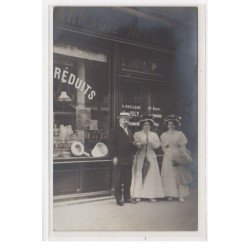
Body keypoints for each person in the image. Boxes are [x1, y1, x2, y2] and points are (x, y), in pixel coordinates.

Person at [130, 114, 164, 202]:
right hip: (140, 156)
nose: (147, 126)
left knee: (151, 174)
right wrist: (140, 144)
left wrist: (151, 144)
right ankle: (138, 195)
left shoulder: (154, 134)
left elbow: (157, 145)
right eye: (145, 124)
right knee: (139, 174)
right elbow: (135, 144)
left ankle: (151, 195)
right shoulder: (137, 134)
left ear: (151, 126)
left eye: (148, 125)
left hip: (151, 156)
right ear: (142, 125)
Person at [160, 115, 193, 202]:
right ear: (167, 125)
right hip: (168, 156)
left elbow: (183, 146)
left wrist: (181, 157)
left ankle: (180, 195)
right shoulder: (164, 135)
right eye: (169, 124)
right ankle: (170, 194)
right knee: (169, 173)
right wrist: (170, 156)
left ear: (175, 125)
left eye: (173, 124)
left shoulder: (180, 134)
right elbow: (164, 148)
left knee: (178, 174)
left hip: (178, 153)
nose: (171, 126)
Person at [109, 112, 137, 206]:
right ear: (119, 120)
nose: (126, 121)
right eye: (124, 119)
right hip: (119, 158)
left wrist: (135, 145)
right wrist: (114, 157)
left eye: (127, 119)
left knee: (128, 179)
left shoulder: (129, 131)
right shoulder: (114, 130)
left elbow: (131, 144)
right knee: (118, 179)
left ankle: (127, 197)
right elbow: (112, 145)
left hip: (128, 158)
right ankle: (118, 199)